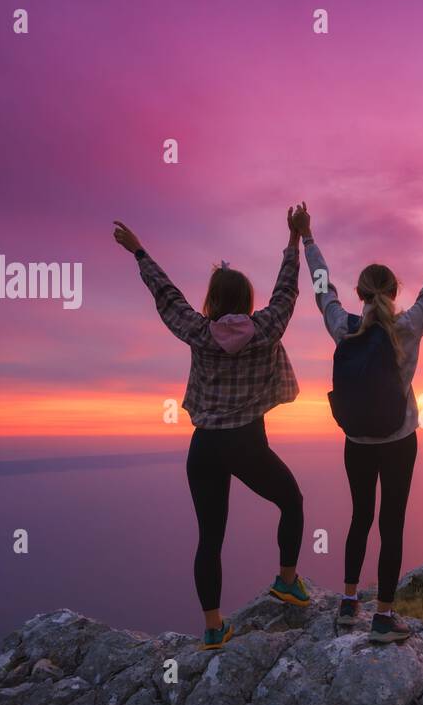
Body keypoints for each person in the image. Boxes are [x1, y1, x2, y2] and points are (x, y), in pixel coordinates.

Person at [293, 189, 423, 643]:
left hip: (357, 442)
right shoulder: (409, 326)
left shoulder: (344, 328)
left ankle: (347, 604)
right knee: (391, 523)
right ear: (394, 292)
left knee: (359, 517)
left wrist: (307, 239)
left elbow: (323, 289)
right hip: (399, 440)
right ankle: (383, 616)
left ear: (360, 293)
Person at [112, 209, 312, 651]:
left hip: (203, 447)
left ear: (213, 300)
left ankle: (213, 628)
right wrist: (294, 240)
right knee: (291, 501)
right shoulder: (266, 328)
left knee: (210, 538)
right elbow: (287, 290)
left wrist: (139, 251)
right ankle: (287, 581)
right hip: (246, 443)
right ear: (246, 298)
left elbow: (167, 297)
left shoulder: (197, 331)